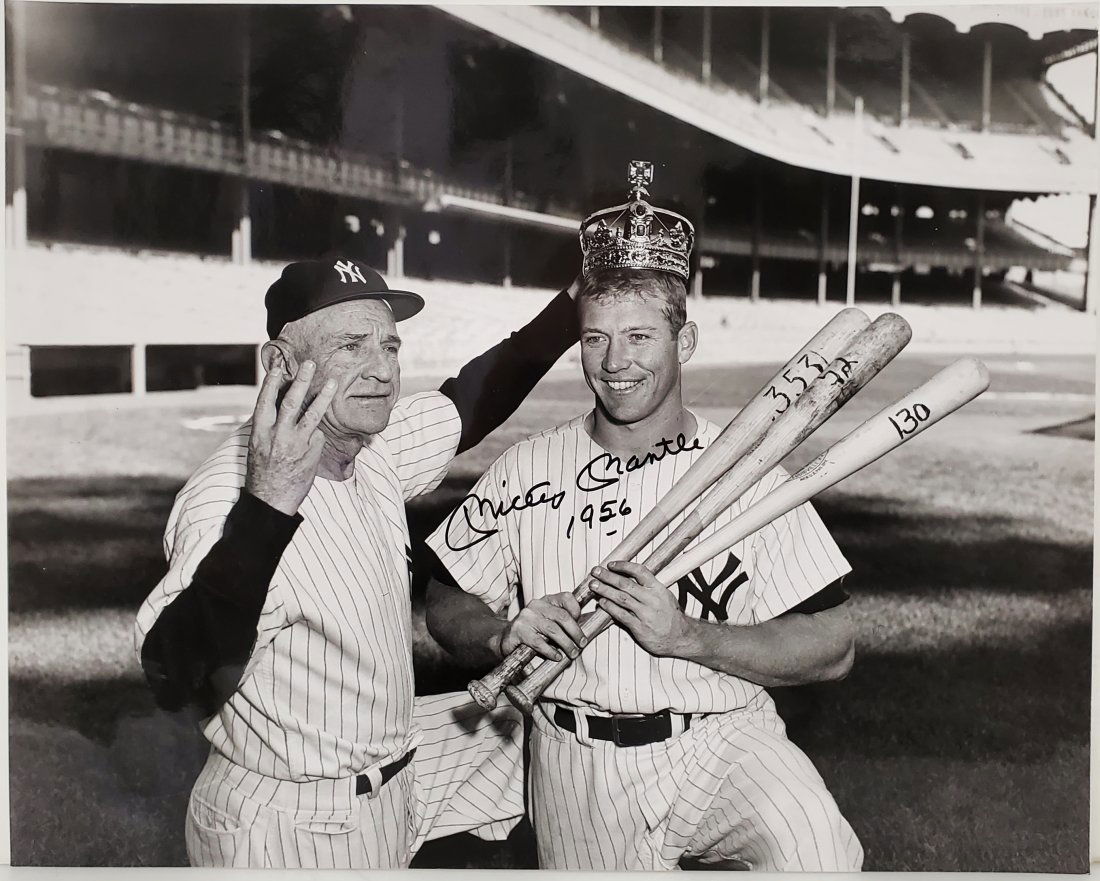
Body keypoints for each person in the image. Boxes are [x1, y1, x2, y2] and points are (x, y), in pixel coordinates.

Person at [425, 162, 864, 871]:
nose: (614, 361)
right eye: (596, 337)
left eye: (639, 337)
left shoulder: (748, 467)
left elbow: (834, 642)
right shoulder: (526, 467)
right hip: (578, 760)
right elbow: (444, 597)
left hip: (722, 737)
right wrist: (503, 629)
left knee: (815, 847)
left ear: (682, 343)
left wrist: (689, 636)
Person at [134, 255, 579, 868]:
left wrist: (576, 303)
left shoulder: (364, 447)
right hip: (291, 822)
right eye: (351, 346)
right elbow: (172, 673)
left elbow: (470, 402)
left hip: (399, 764)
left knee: (560, 732)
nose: (382, 371)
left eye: (389, 346)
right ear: (279, 365)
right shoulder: (222, 499)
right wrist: (268, 509)